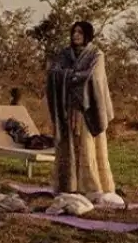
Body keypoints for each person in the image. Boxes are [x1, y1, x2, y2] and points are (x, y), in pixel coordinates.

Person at [47, 21, 117, 200]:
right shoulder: (64, 54)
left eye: (80, 32)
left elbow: (94, 77)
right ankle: (68, 185)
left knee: (87, 145)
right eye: (74, 32)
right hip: (67, 108)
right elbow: (54, 72)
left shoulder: (96, 54)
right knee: (69, 146)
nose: (75, 35)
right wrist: (73, 75)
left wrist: (69, 75)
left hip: (87, 110)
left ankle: (91, 187)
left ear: (87, 35)